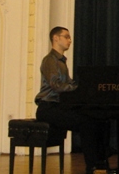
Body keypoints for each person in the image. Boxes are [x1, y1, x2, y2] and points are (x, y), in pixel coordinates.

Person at [35, 26, 110, 174]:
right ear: (56, 38)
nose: (70, 40)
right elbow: (56, 85)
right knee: (85, 122)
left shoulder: (61, 62)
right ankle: (92, 165)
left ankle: (101, 157)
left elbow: (69, 84)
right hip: (47, 108)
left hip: (58, 106)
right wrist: (79, 88)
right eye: (67, 37)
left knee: (97, 118)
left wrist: (83, 88)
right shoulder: (49, 60)